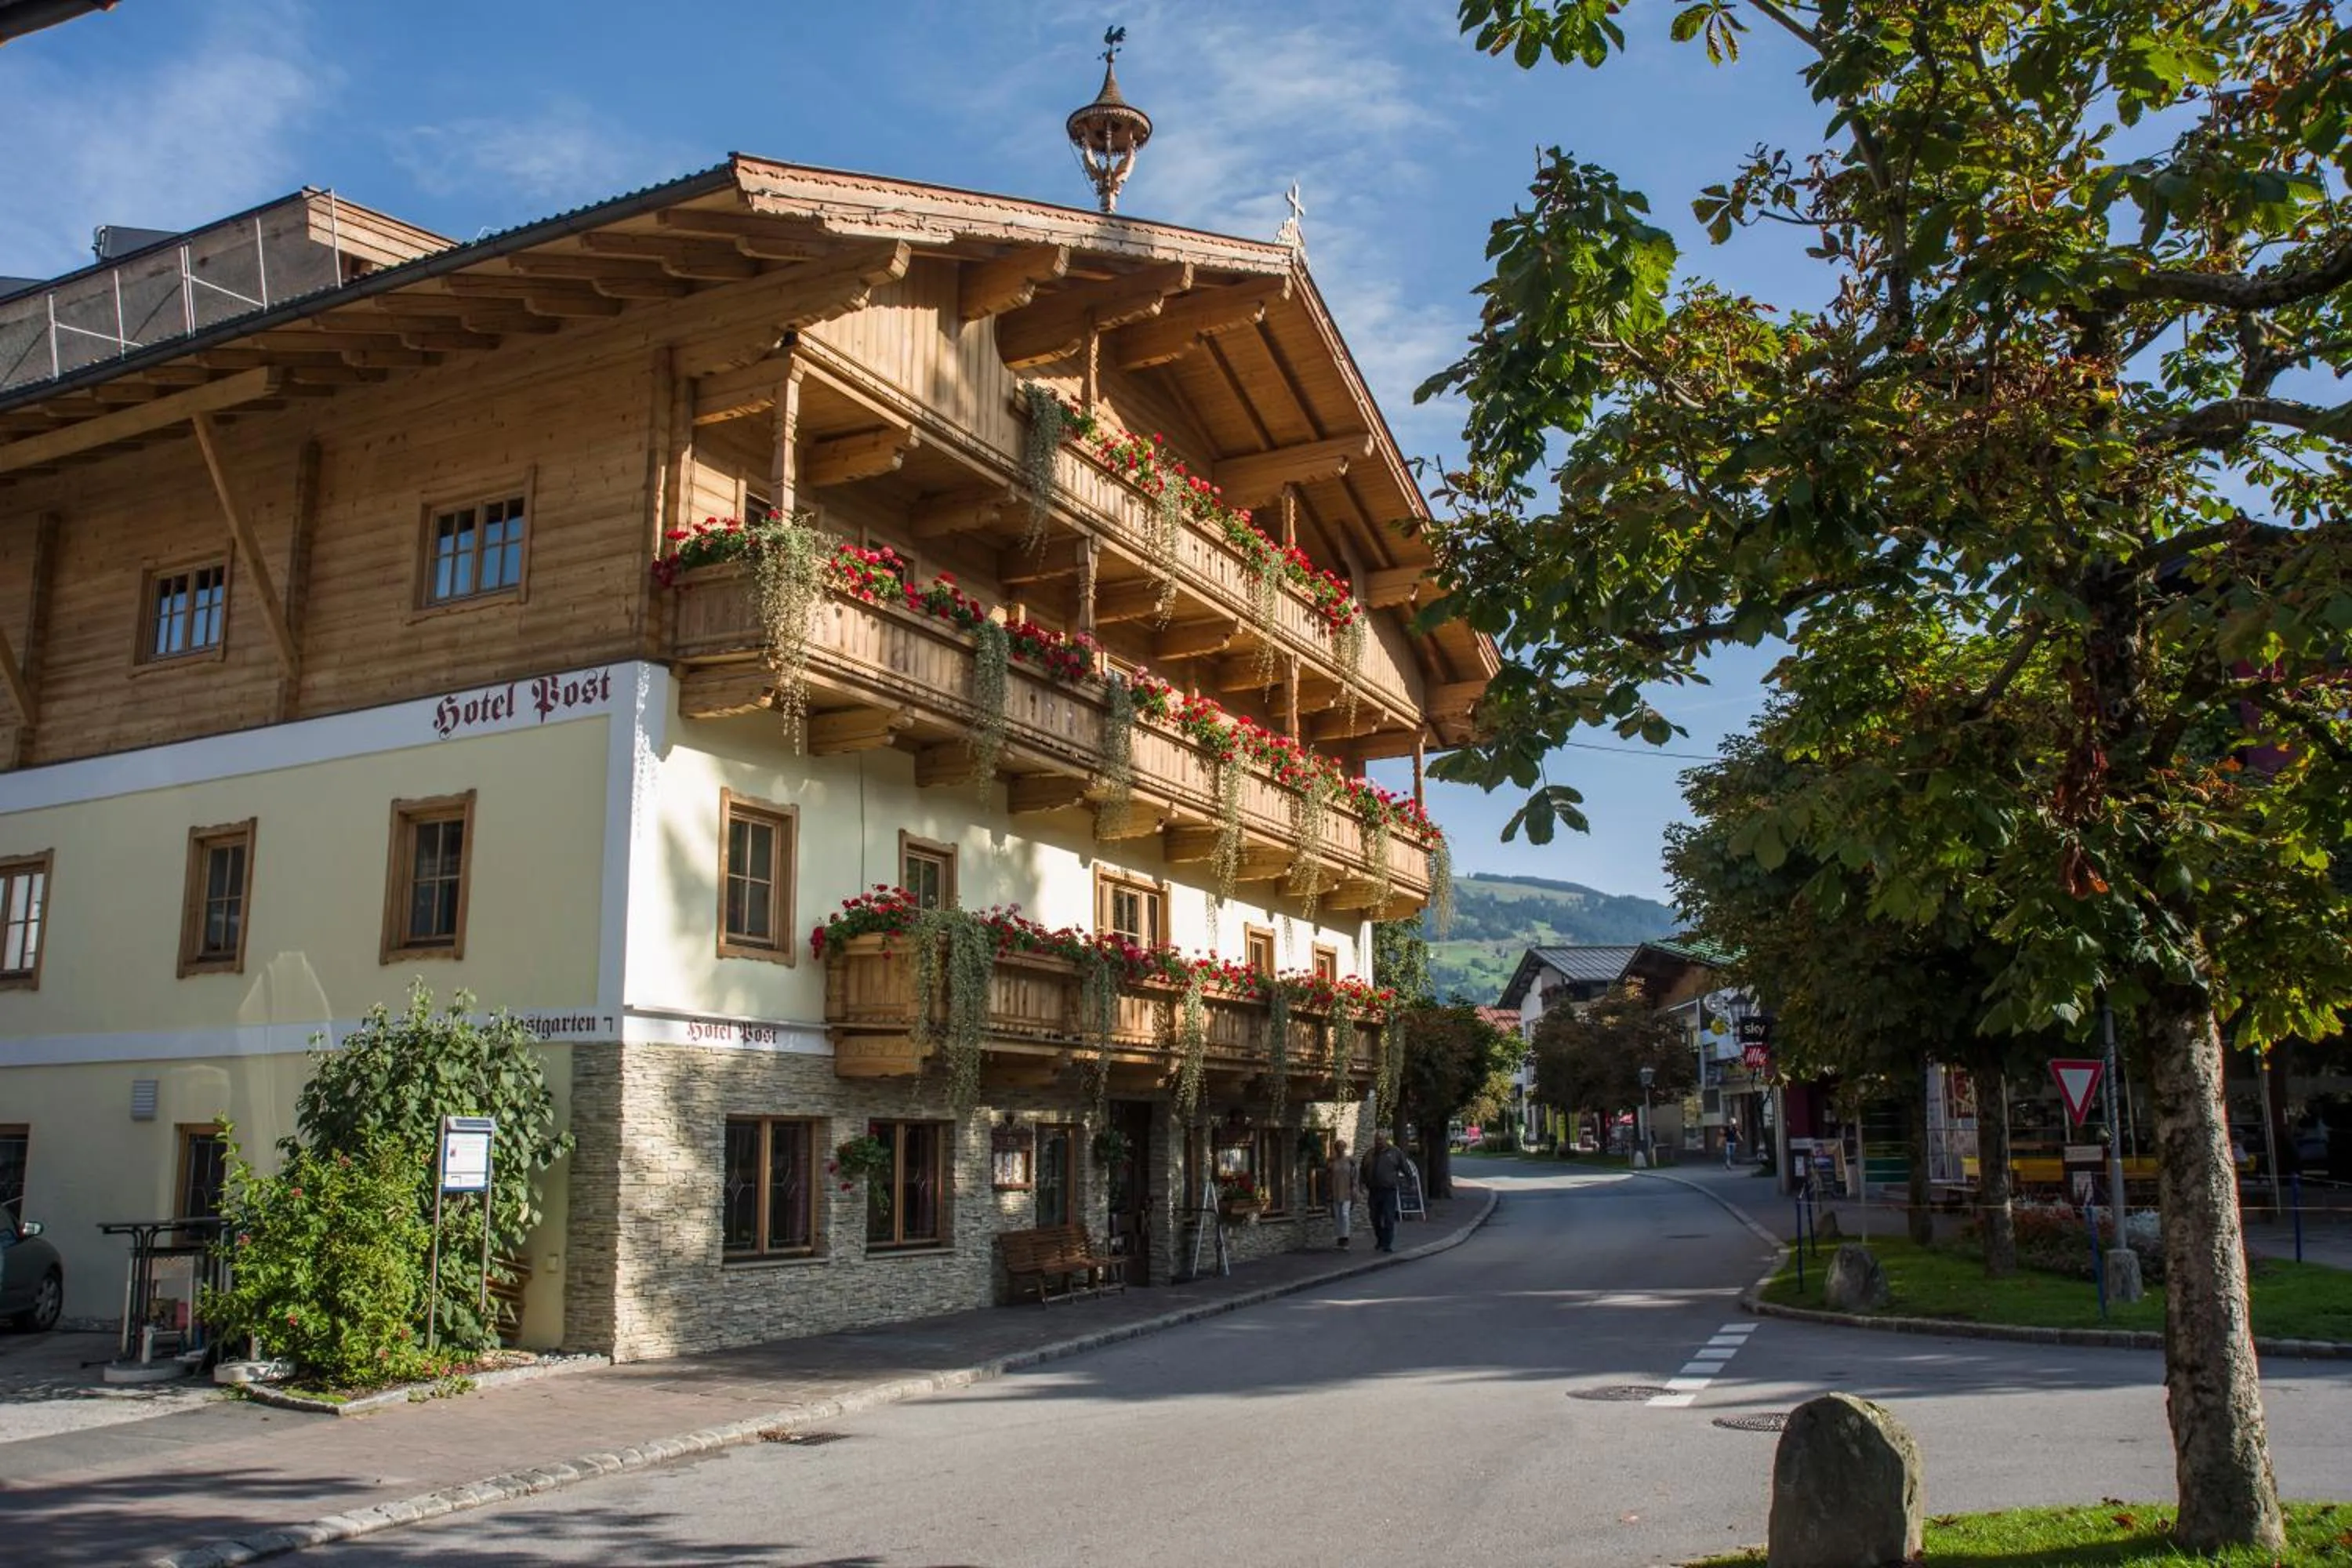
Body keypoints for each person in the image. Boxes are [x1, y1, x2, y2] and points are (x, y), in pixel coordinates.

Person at [1361, 1131, 1409, 1254]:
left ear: (1386, 1140)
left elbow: (1404, 1167)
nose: (1378, 1142)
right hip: (1374, 1190)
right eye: (1377, 1139)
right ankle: (1380, 1238)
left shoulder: (1395, 1152)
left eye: (1381, 1139)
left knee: (1388, 1217)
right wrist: (1362, 1184)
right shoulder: (1370, 1154)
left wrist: (1410, 1181)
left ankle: (1387, 1243)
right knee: (1374, 1217)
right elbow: (1363, 1170)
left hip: (1389, 1190)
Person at [1326, 1138, 1359, 1249]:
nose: (1340, 1149)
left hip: (1346, 1191)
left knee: (1345, 1214)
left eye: (1342, 1147)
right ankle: (1340, 1238)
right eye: (1338, 1147)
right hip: (1335, 1191)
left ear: (1345, 1148)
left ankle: (1345, 1238)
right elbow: (1328, 1177)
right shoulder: (1332, 1162)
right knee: (1337, 1216)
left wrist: (1354, 1188)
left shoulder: (1350, 1161)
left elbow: (1354, 1176)